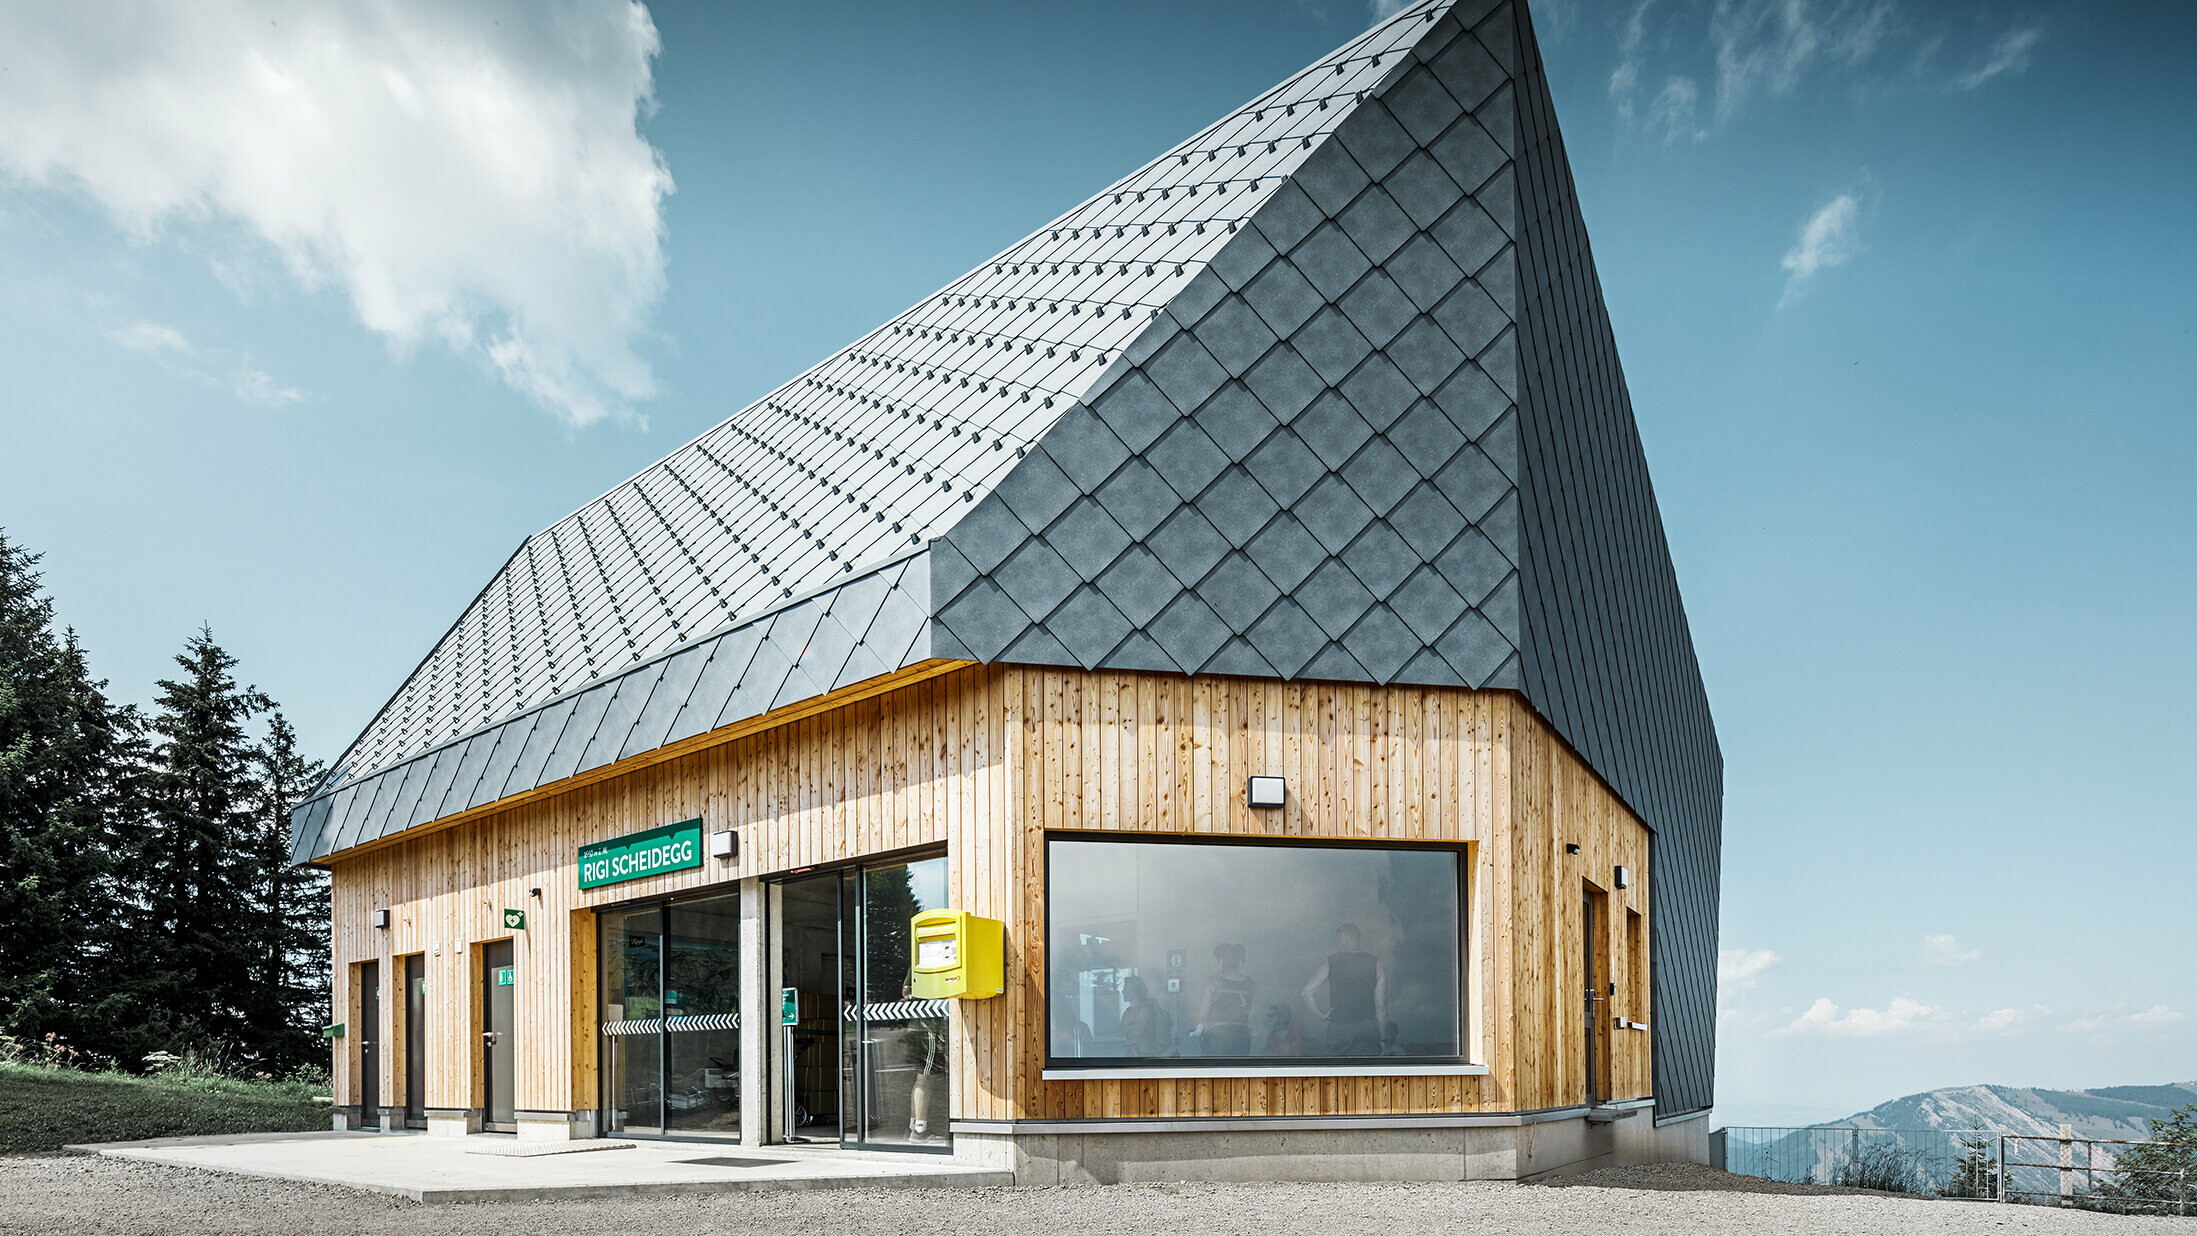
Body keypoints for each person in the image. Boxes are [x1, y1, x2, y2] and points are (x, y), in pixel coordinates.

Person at [1300, 923, 1386, 1056]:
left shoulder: (1331, 962)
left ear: (1344, 937)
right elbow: (1381, 1006)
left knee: (1337, 1073)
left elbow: (1306, 993)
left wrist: (1321, 1016)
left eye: (1337, 938)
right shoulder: (1376, 964)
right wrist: (1383, 1038)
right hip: (1367, 1029)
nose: (1336, 941)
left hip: (1338, 1030)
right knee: (1364, 1073)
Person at [1196, 943, 1255, 1056]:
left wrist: (1198, 1028)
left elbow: (1204, 1012)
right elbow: (1250, 1012)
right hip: (1241, 1037)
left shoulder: (1212, 981)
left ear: (1221, 961)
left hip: (1216, 1039)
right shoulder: (1251, 984)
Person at [1117, 975, 1173, 1057]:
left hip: (1143, 1054)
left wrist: (1129, 1029)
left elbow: (1136, 1033)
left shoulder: (1147, 1011)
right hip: (1131, 1052)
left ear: (1135, 991)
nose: (1122, 991)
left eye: (1125, 989)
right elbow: (1119, 1033)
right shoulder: (1129, 1011)